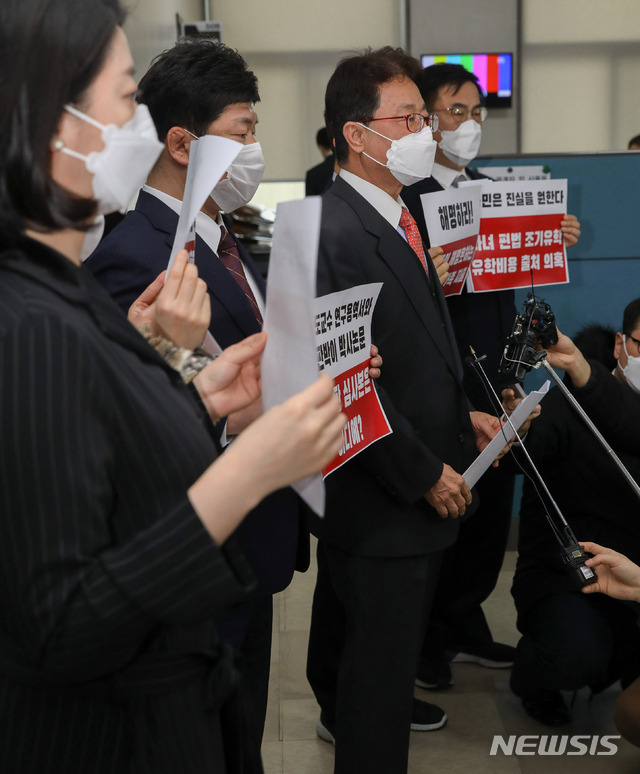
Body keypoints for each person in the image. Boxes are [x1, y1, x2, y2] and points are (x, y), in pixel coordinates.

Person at [0, 2, 346, 771]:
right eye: (126, 101)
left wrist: (202, 394)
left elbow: (101, 445)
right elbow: (61, 622)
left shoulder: (66, 289)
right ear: (48, 123)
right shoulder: (29, 319)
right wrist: (251, 465)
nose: (140, 128)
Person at [85, 38, 382, 759]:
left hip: (252, 541)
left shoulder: (224, 239)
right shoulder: (138, 255)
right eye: (244, 131)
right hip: (200, 546)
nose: (257, 148)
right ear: (183, 144)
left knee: (242, 727)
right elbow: (137, 414)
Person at [305, 46, 507, 774]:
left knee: (383, 682)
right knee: (375, 693)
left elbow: (416, 344)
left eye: (428, 117)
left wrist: (464, 420)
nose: (429, 131)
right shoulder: (333, 230)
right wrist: (423, 470)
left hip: (416, 489)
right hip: (382, 499)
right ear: (358, 135)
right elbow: (349, 379)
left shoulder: (396, 215)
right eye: (412, 117)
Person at [400, 63, 581, 688]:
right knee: (444, 509)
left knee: (487, 510)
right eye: (456, 110)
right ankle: (424, 640)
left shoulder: (489, 189)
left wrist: (550, 235)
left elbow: (507, 285)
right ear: (424, 118)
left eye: (477, 112)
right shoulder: (408, 198)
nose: (469, 123)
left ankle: (462, 625)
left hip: (493, 373)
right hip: (435, 381)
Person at [509, 318, 640, 726]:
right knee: (577, 654)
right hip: (568, 577)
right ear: (620, 343)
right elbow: (523, 453)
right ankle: (532, 678)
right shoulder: (567, 401)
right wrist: (517, 430)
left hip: (636, 581)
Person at [305, 127, 336, 196]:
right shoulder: (348, 168)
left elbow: (311, 205)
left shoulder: (312, 174)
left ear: (320, 146)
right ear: (335, 143)